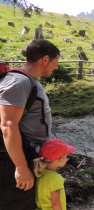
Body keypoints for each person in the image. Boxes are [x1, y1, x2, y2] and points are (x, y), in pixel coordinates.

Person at [0, 39, 60, 210]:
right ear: (45, 59)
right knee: (17, 204)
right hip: (12, 162)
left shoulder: (28, 81)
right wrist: (21, 168)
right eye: (56, 62)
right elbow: (8, 125)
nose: (56, 67)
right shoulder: (19, 82)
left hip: (27, 157)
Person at [33, 139, 76, 210]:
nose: (67, 159)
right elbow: (55, 203)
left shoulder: (39, 174)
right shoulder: (56, 179)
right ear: (59, 159)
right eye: (66, 156)